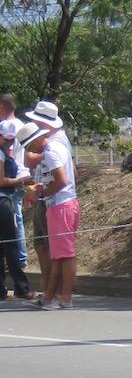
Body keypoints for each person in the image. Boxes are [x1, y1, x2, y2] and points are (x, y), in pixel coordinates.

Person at [17, 122, 78, 309]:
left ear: (36, 139)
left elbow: (61, 180)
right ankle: (52, 296)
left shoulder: (51, 152)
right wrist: (39, 189)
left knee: (66, 255)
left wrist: (40, 194)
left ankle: (65, 297)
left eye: (29, 145)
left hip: (60, 205)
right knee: (59, 255)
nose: (30, 150)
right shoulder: (57, 146)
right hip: (62, 204)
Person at [22, 100, 73, 293]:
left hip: (52, 198)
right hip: (43, 197)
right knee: (41, 244)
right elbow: (29, 159)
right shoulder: (45, 142)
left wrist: (40, 192)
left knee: (54, 248)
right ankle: (48, 288)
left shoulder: (55, 142)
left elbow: (60, 176)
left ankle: (56, 292)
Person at [0, 120, 34, 299]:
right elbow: (1, 180)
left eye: (12, 140)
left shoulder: (5, 153)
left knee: (2, 247)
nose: (9, 142)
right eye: (6, 139)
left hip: (6, 199)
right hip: (3, 201)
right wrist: (21, 181)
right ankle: (21, 287)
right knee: (11, 244)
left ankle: (1, 290)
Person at [0, 93, 29, 269]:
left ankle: (15, 260)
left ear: (2, 108)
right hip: (22, 174)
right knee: (18, 219)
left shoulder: (3, 127)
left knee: (11, 221)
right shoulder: (23, 126)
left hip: (7, 177)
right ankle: (21, 258)